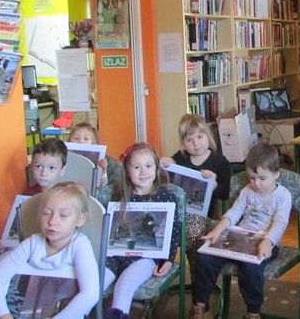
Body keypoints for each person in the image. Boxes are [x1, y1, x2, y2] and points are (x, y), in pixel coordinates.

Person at [190, 143, 292, 319]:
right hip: (238, 237)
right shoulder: (247, 190)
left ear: (276, 174)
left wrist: (268, 242)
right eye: (252, 178)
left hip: (265, 241)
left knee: (251, 269)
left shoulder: (283, 196)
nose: (256, 184)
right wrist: (217, 230)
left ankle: (253, 312)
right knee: (205, 258)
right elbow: (234, 212)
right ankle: (200, 305)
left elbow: (280, 223)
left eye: (262, 178)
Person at [0, 182, 99, 318]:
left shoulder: (80, 246)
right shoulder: (32, 244)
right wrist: (3, 315)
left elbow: (90, 294)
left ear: (80, 219)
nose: (52, 221)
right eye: (46, 213)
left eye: (63, 215)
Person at [103, 143, 180, 319]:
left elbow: (173, 232)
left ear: (156, 168)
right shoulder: (120, 195)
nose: (143, 172)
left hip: (147, 257)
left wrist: (168, 260)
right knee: (97, 282)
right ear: (127, 171)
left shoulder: (165, 196)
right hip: (116, 254)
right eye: (137, 167)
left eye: (148, 166)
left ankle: (118, 315)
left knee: (125, 285)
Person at [159, 113, 231, 295]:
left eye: (199, 137)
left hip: (203, 216)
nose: (196, 143)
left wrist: (214, 184)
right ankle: (159, 274)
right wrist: (167, 163)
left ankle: (200, 287)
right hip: (177, 213)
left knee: (192, 232)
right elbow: (168, 174)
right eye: (189, 140)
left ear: (208, 135)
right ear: (183, 143)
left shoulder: (219, 161)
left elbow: (225, 193)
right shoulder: (181, 157)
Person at [68, 122, 123, 204]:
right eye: (76, 138)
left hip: (95, 197)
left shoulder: (101, 159)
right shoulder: (66, 156)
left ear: (93, 142)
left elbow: (103, 185)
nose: (81, 141)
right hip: (71, 195)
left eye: (86, 139)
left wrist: (103, 170)